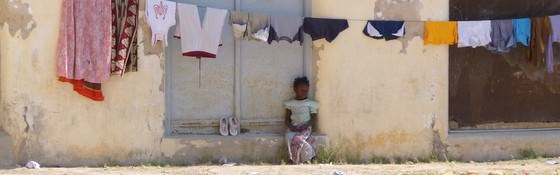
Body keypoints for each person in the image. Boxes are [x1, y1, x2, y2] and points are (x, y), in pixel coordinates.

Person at [284, 77, 319, 164]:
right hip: (294, 126)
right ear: (295, 89)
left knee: (298, 139)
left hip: (305, 127)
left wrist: (306, 125)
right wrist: (292, 127)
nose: (304, 92)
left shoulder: (310, 103)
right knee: (288, 137)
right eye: (301, 90)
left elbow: (314, 118)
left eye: (306, 91)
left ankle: (307, 158)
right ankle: (292, 158)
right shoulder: (290, 104)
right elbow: (286, 119)